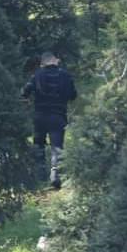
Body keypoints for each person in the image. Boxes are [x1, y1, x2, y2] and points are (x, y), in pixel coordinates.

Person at [22, 52, 78, 188]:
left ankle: (40, 176)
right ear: (55, 61)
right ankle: (55, 175)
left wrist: (26, 100)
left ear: (43, 63)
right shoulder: (65, 75)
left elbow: (25, 92)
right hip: (58, 116)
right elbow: (73, 95)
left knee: (38, 144)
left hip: (40, 116)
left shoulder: (37, 75)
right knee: (56, 147)